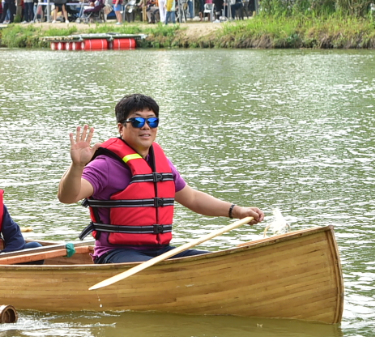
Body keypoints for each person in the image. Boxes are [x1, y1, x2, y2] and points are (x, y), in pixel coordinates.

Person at [57, 94, 265, 264]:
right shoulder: (106, 165)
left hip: (160, 250)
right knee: (160, 269)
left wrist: (237, 211)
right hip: (116, 253)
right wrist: (78, 166)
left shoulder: (160, 163)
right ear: (121, 128)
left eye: (152, 120)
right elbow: (67, 197)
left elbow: (192, 198)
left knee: (218, 262)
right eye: (137, 121)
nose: (146, 126)